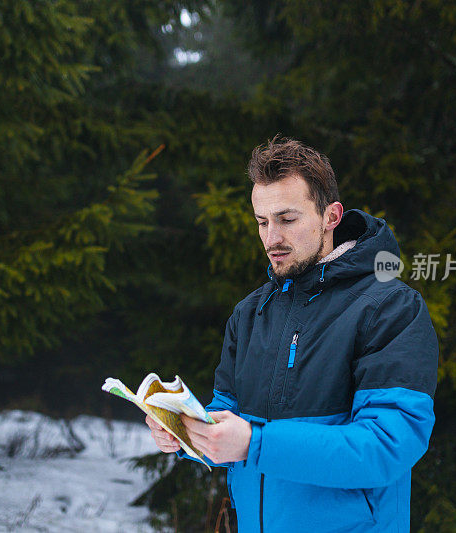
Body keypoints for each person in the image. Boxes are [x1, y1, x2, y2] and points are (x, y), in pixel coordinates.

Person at [146, 136, 439, 532]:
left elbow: (386, 446)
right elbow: (225, 418)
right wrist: (186, 434)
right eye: (262, 222)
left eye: (287, 219)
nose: (271, 239)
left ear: (331, 216)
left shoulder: (389, 308)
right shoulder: (251, 313)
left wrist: (254, 443)